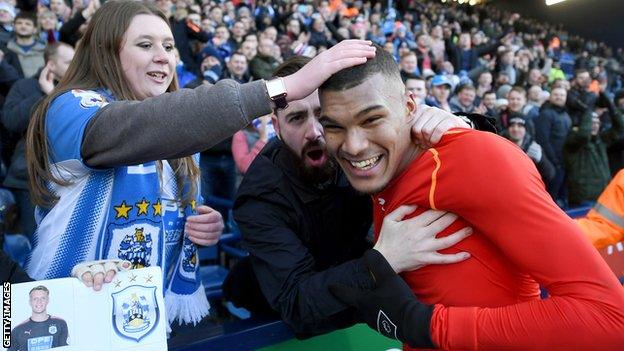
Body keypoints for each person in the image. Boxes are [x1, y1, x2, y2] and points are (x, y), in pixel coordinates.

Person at [24, 0, 375, 329]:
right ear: (106, 52)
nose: (163, 57)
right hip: (68, 314)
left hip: (145, 318)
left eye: (168, 46)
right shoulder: (69, 107)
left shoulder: (181, 136)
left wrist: (201, 226)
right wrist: (284, 87)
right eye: (145, 45)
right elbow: (134, 128)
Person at [318, 46, 624, 349]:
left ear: (410, 108)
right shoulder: (375, 170)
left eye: (371, 119)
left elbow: (609, 317)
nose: (354, 146)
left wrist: (426, 324)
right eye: (334, 127)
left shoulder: (473, 158)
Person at [225, 56, 473, 338]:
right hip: (268, 323)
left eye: (324, 117)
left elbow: (444, 164)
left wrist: (460, 127)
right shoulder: (260, 198)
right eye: (296, 118)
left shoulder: (359, 150)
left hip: (356, 300)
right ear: (277, 127)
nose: (314, 132)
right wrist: (384, 260)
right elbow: (296, 304)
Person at [2, 42, 75, 241]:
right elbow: (11, 122)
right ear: (51, 65)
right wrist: (44, 94)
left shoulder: (79, 91)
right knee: (35, 247)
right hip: (28, 181)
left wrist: (53, 94)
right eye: (69, 62)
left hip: (68, 181)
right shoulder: (25, 86)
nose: (74, 66)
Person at [9, 285, 68, 351]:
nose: (39, 302)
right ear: (30, 302)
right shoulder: (18, 330)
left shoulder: (60, 323)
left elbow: (65, 348)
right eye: (35, 299)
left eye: (43, 298)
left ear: (47, 301)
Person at [505, 115, 555, 184]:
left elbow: (550, 175)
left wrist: (541, 161)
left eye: (520, 126)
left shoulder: (533, 147)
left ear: (526, 129)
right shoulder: (501, 144)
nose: (515, 129)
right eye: (512, 126)